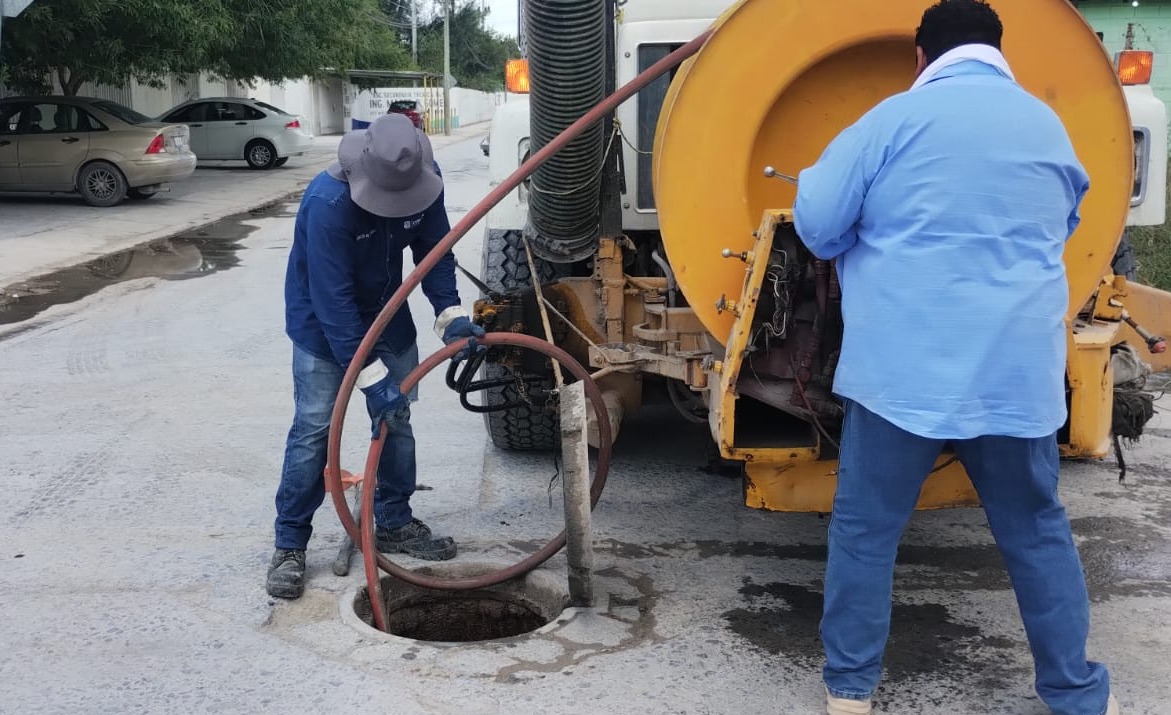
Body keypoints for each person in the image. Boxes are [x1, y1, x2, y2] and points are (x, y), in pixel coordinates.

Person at [793, 2, 1119, 714]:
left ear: (920, 56)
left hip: (898, 378)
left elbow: (816, 227)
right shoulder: (1045, 126)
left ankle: (849, 694)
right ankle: (1075, 695)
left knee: (866, 531)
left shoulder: (889, 121)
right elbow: (1062, 224)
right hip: (1014, 375)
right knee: (1035, 528)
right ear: (999, 54)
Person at [267, 113, 484, 600]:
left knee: (397, 419)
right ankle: (290, 542)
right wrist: (369, 376)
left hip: (388, 313)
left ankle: (392, 518)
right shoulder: (327, 205)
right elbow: (334, 303)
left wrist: (449, 316)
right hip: (324, 327)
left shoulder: (422, 181)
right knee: (315, 429)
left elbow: (435, 252)